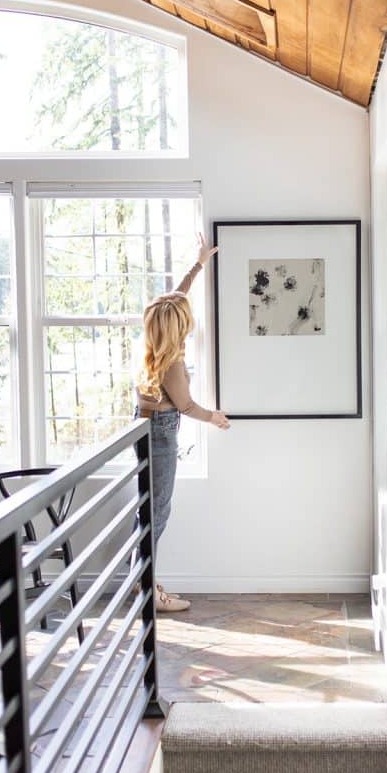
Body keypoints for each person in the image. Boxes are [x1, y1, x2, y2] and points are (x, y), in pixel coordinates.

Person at [135, 233, 230, 612]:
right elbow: (187, 405)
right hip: (159, 437)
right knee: (157, 512)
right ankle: (148, 591)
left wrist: (198, 264)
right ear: (178, 328)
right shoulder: (172, 363)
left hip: (146, 430)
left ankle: (142, 582)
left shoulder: (153, 341)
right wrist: (216, 418)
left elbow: (172, 301)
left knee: (150, 511)